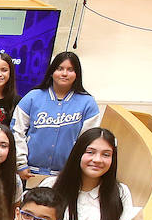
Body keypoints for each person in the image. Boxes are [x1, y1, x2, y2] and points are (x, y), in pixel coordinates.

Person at [41, 127, 140, 220]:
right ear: (78, 154)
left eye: (106, 155)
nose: (97, 160)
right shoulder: (51, 185)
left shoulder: (121, 192)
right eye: (90, 152)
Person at [13, 50, 102, 179]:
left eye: (70, 70)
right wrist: (20, 164)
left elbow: (89, 142)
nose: (64, 73)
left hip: (66, 175)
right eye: (60, 69)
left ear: (77, 74)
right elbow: (16, 131)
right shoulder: (32, 97)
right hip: (30, 172)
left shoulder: (88, 103)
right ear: (51, 72)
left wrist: (77, 170)